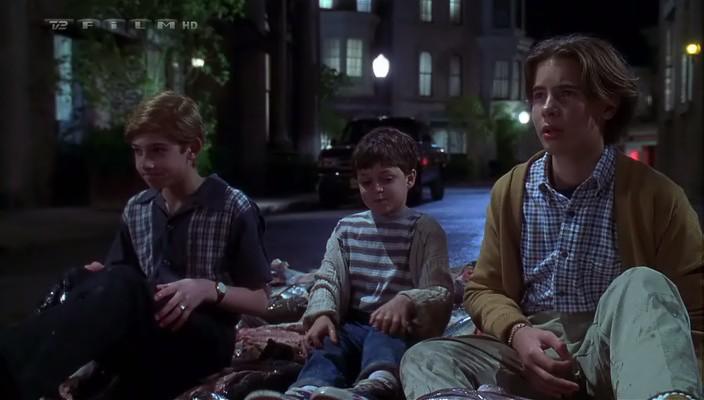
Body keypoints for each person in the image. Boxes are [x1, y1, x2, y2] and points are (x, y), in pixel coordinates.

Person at [400, 35, 703, 400]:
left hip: (617, 355)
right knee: (425, 358)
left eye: (566, 94)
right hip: (531, 355)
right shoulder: (511, 190)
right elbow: (484, 288)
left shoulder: (657, 196)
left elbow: (693, 313)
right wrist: (518, 333)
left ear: (607, 105)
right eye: (538, 95)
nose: (547, 108)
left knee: (643, 283)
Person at [0, 91, 272, 400]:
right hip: (149, 329)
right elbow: (121, 280)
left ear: (192, 149)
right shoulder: (138, 208)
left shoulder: (232, 206)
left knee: (124, 285)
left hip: (203, 339)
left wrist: (207, 288)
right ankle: (27, 375)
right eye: (138, 152)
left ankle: (15, 376)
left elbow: (261, 300)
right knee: (76, 279)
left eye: (158, 150)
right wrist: (97, 280)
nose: (146, 164)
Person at [247, 127, 453, 400]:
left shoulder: (425, 230)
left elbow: (438, 290)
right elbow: (328, 278)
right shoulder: (347, 229)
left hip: (398, 325)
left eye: (387, 179)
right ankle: (306, 389)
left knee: (385, 339)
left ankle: (377, 385)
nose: (377, 189)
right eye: (367, 182)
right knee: (329, 343)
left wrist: (408, 301)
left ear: (410, 178)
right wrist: (322, 313)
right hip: (354, 322)